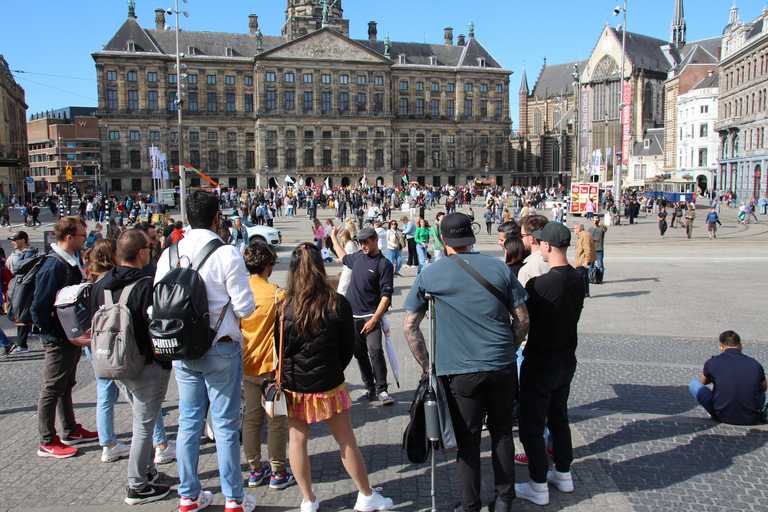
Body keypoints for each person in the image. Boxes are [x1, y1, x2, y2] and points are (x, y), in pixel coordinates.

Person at [403, 212, 529, 512]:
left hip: (460, 371)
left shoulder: (431, 274)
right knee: (501, 432)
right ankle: (503, 500)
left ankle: (470, 505)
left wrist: (427, 365)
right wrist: (506, 351)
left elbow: (410, 326)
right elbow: (523, 319)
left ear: (442, 239)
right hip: (501, 365)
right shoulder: (499, 268)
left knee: (468, 438)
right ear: (471, 238)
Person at [154, 191, 257, 512]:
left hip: (183, 351)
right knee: (225, 426)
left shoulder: (168, 255)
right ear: (217, 217)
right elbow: (246, 307)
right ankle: (234, 500)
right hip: (221, 350)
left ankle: (188, 496)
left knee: (188, 423)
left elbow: (154, 308)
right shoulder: (226, 254)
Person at [278, 243, 393, 512]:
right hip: (328, 383)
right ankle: (366, 495)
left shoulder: (283, 306)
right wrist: (333, 369)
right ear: (320, 267)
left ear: (293, 270)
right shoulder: (337, 302)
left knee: (297, 441)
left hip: (294, 384)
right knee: (346, 441)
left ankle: (308, 500)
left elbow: (278, 349)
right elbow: (347, 348)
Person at [92, 229, 172, 505]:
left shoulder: (100, 284)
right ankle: (136, 486)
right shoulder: (147, 284)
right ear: (141, 253)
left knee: (142, 421)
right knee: (143, 426)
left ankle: (148, 472)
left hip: (114, 362)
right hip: (145, 362)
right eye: (149, 248)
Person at [516, 222, 585, 506]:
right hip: (566, 360)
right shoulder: (579, 278)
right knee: (559, 418)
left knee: (532, 425)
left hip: (540, 360)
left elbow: (521, 320)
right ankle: (564, 474)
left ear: (546, 246)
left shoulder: (540, 283)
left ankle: (538, 485)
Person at [32, 216, 98, 459]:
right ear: (69, 237)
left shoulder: (69, 261)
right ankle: (47, 440)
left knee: (66, 384)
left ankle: (70, 429)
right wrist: (57, 334)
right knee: (52, 388)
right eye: (82, 235)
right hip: (60, 339)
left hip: (70, 336)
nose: (85, 239)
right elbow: (39, 308)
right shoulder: (54, 266)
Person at [240, 240, 295, 491]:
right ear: (269, 266)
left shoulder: (238, 291)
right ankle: (278, 471)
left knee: (251, 419)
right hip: (272, 368)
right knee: (276, 421)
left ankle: (254, 469)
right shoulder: (277, 294)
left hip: (244, 365)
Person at [329, 226, 395, 405]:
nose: (363, 245)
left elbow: (386, 297)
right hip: (352, 317)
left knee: (375, 350)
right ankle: (369, 388)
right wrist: (333, 236)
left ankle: (382, 389)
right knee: (359, 354)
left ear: (375, 240)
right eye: (361, 242)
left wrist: (374, 319)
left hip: (371, 317)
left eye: (366, 241)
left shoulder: (384, 264)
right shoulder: (358, 257)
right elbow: (342, 256)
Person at [689, 330, 767, 425]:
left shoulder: (713, 362)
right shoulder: (755, 364)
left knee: (694, 384)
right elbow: (763, 388)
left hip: (720, 415)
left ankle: (714, 411)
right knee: (761, 394)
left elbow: (703, 381)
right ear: (741, 346)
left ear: (721, 348)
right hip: (750, 418)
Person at [6, 231, 38, 353]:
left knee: (22, 314)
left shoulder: (29, 253)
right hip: (22, 287)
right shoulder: (21, 253)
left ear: (24, 240)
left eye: (15, 239)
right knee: (23, 314)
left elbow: (20, 269)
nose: (13, 242)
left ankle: (22, 345)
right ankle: (22, 344)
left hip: (26, 288)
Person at [573, 223, 596, 298]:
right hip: (581, 260)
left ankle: (580, 293)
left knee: (579, 278)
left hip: (582, 261)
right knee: (584, 278)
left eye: (575, 228)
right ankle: (585, 292)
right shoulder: (582, 235)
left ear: (579, 229)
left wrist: (586, 261)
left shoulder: (585, 235)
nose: (574, 230)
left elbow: (587, 249)